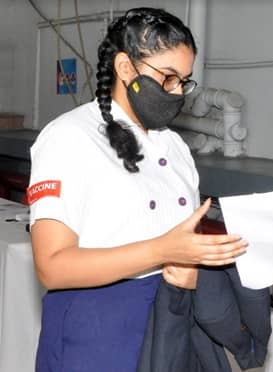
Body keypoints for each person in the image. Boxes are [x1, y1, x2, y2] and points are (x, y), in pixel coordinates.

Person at [27, 8, 248, 372]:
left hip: (170, 321)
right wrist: (161, 250)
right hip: (98, 327)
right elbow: (53, 266)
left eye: (185, 81)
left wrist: (191, 270)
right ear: (126, 68)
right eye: (168, 78)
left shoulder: (175, 147)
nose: (177, 92)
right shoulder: (69, 137)